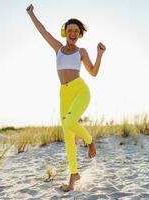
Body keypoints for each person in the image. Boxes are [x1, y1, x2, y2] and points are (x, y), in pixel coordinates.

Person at [26, 4, 106, 192]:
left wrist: (100, 54)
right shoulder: (58, 48)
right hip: (64, 94)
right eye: (69, 30)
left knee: (70, 122)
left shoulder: (82, 52)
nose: (72, 33)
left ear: (79, 34)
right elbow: (42, 30)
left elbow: (93, 72)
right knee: (68, 137)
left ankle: (90, 141)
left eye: (76, 31)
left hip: (80, 91)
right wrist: (31, 13)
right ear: (65, 32)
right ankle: (73, 176)